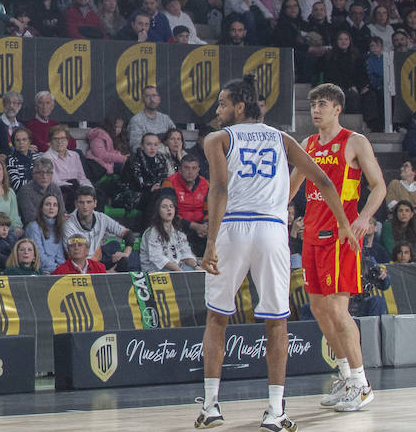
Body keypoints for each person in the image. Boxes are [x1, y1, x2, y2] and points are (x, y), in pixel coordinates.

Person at [195, 76, 356, 432]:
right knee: (276, 321)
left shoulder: (218, 138)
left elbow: (219, 189)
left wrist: (209, 243)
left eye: (222, 104)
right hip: (271, 230)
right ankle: (275, 411)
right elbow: (325, 182)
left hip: (233, 229)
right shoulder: (283, 138)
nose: (217, 110)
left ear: (239, 106)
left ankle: (210, 407)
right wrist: (344, 223)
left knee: (216, 318)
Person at [292, 83, 385, 412]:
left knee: (337, 309)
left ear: (337, 109)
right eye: (313, 103)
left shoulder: (354, 142)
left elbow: (379, 187)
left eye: (323, 103)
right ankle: (346, 376)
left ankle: (362, 384)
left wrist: (364, 217)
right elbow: (294, 186)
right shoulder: (308, 144)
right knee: (318, 310)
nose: (316, 109)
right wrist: (283, 214)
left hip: (341, 237)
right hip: (312, 236)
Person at [139, 194, 198, 272]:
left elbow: (185, 253)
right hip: (155, 271)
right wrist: (179, 271)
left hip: (176, 268)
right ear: (158, 211)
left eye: (171, 206)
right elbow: (157, 258)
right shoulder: (151, 232)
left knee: (194, 271)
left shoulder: (178, 232)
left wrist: (196, 266)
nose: (169, 209)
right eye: (164, 207)